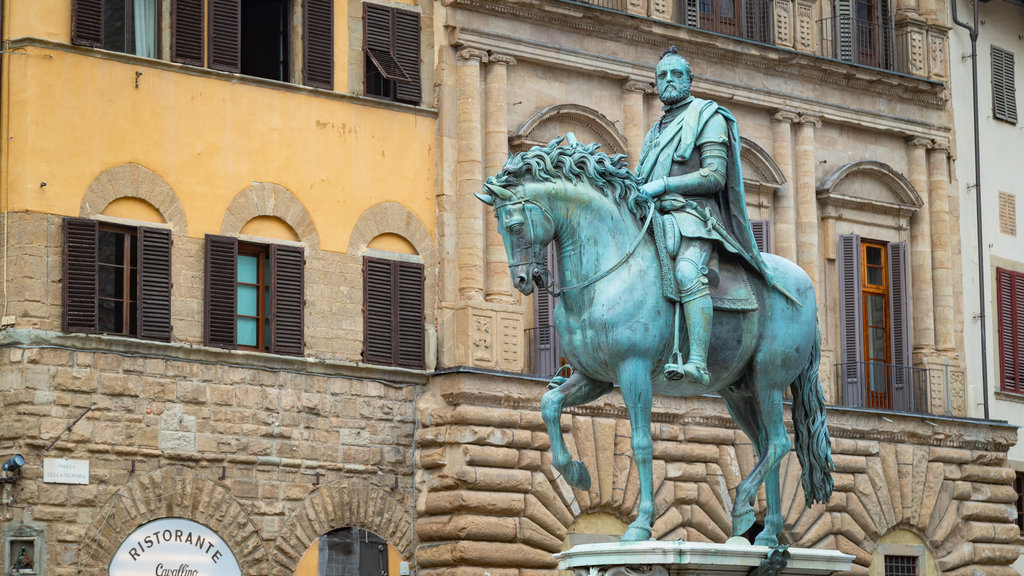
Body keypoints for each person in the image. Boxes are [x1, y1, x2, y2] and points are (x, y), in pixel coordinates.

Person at [635, 46, 772, 386]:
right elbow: (640, 178)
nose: (668, 81)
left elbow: (714, 176)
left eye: (676, 75)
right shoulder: (655, 132)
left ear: (690, 80)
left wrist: (663, 184)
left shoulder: (708, 117)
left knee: (685, 272)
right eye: (662, 76)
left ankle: (697, 360)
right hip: (656, 216)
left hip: (695, 218)